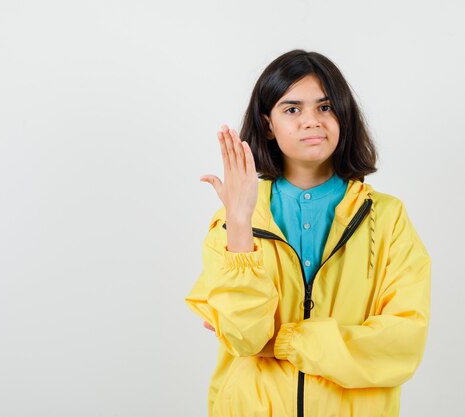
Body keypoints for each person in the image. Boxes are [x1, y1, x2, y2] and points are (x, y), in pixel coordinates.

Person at [185, 49, 431, 417]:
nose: (312, 121)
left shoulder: (388, 217)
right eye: (292, 109)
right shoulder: (232, 219)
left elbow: (401, 344)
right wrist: (239, 220)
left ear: (343, 116)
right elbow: (244, 338)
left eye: (326, 107)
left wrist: (286, 341)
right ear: (267, 123)